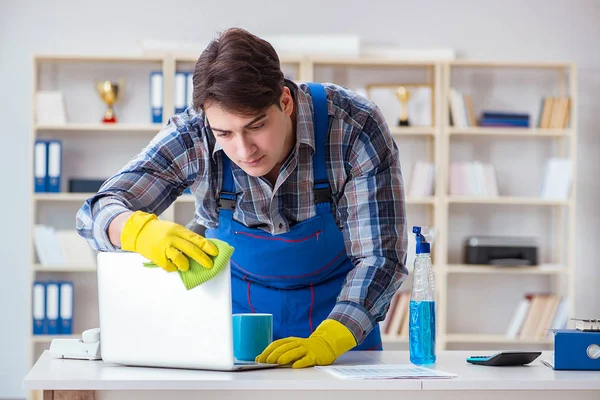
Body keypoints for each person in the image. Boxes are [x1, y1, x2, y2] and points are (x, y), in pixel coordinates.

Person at [76, 27, 408, 369]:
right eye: (225, 133)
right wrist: (137, 230)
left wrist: (330, 339)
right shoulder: (194, 135)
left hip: (339, 330)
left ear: (285, 101)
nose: (243, 150)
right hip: (231, 328)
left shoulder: (354, 126)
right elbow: (95, 212)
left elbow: (381, 256)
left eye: (256, 126)